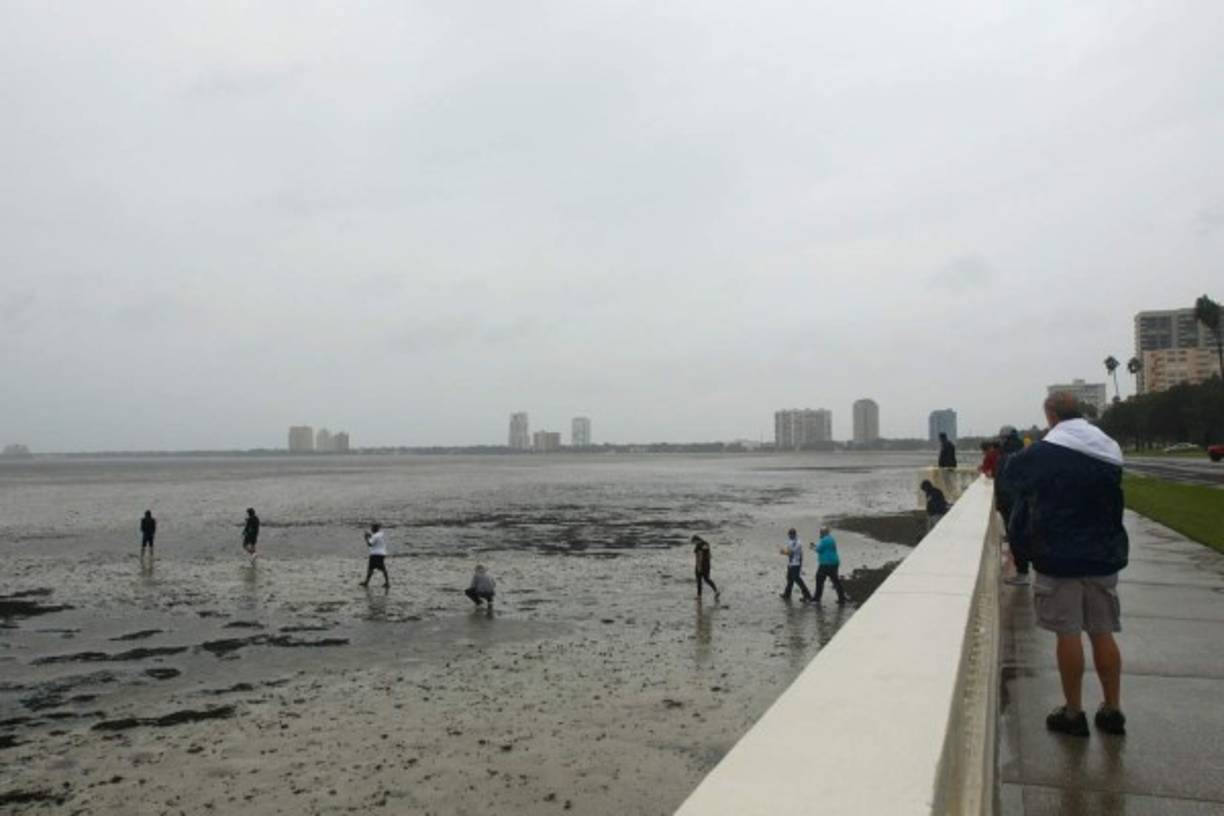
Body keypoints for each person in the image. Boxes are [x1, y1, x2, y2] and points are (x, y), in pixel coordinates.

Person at [1000, 392, 1128, 737]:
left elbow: (1010, 475)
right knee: (1103, 631)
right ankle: (1113, 709)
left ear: (1051, 415)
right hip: (1104, 553)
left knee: (1068, 633)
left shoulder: (1047, 451)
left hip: (1060, 555)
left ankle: (1074, 713)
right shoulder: (1108, 448)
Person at [996, 426, 1029, 584]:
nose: (1000, 440)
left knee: (1017, 537)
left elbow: (1004, 480)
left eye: (1002, 437)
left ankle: (1023, 573)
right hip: (1019, 500)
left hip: (1012, 501)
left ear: (1007, 438)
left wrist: (1001, 499)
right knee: (1020, 537)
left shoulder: (1008, 455)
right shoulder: (1023, 451)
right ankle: (1023, 572)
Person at [810, 526, 848, 605]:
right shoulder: (831, 539)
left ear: (823, 532)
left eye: (821, 532)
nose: (820, 534)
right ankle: (842, 598)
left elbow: (819, 550)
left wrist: (812, 547)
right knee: (836, 581)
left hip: (825, 564)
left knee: (819, 580)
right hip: (834, 563)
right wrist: (817, 545)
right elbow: (825, 548)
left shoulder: (824, 540)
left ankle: (817, 599)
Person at [779, 528, 812, 601]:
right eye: (789, 535)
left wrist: (783, 552)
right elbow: (789, 551)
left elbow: (791, 552)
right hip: (791, 563)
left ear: (794, 534)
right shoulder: (790, 541)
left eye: (791, 535)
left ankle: (807, 594)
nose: (790, 536)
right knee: (789, 578)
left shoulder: (797, 542)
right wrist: (785, 551)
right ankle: (787, 594)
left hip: (796, 563)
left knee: (797, 579)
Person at [360, 523, 390, 588]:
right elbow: (375, 539)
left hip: (375, 554)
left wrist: (366, 538)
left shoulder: (375, 536)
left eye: (372, 528)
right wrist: (370, 536)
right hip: (382, 553)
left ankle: (366, 582)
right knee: (382, 568)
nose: (371, 529)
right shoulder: (381, 534)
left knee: (371, 568)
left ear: (374, 528)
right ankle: (387, 582)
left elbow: (370, 544)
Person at [691, 535, 720, 600]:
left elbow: (699, 556)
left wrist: (698, 566)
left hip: (700, 565)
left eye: (693, 542)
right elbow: (709, 555)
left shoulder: (698, 546)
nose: (694, 544)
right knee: (707, 579)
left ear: (696, 540)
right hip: (707, 565)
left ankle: (699, 596)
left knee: (699, 581)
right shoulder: (706, 544)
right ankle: (716, 591)